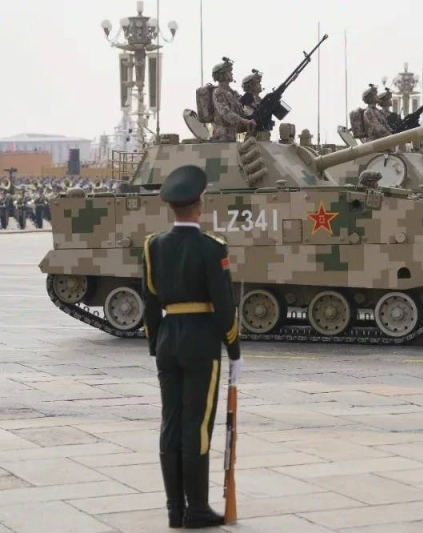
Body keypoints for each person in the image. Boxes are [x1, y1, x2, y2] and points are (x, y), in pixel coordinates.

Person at [142, 165, 243, 529]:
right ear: (199, 205)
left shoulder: (153, 245)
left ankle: (174, 509)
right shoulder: (211, 247)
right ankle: (197, 508)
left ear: (173, 208)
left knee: (170, 421)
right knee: (197, 424)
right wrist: (233, 348)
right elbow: (224, 305)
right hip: (201, 339)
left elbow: (151, 301)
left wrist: (157, 343)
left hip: (168, 337)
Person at [211, 58, 256, 142]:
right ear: (221, 75)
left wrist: (253, 116)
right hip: (222, 137)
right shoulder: (218, 92)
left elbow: (242, 111)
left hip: (232, 136)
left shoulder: (234, 93)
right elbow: (225, 112)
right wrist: (244, 121)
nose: (231, 73)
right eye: (228, 71)